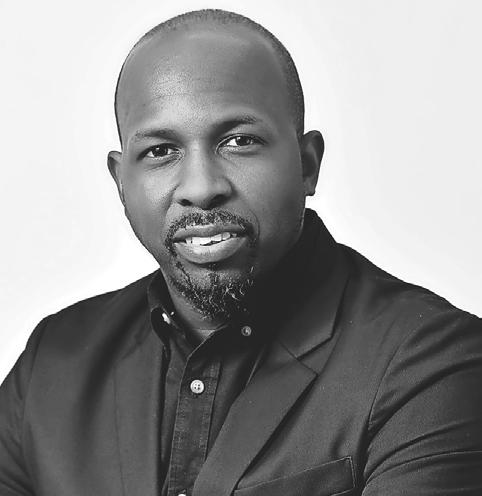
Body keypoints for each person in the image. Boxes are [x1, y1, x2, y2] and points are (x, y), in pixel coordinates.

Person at [1, 8, 481, 496]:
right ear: (121, 182)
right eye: (161, 151)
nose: (201, 188)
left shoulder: (434, 364)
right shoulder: (51, 364)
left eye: (239, 141)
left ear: (307, 165)